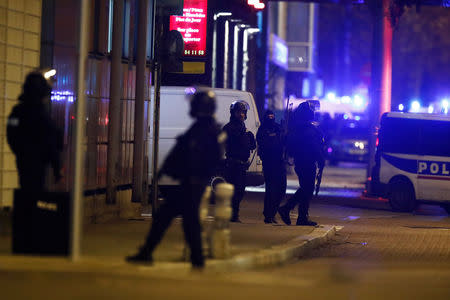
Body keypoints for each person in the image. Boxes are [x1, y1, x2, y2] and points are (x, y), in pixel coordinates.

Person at [126, 89, 225, 269]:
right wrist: (166, 169)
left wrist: (190, 173)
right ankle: (195, 258)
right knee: (187, 220)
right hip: (189, 182)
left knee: (169, 217)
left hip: (193, 183)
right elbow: (181, 150)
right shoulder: (201, 127)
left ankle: (148, 253)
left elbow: (205, 157)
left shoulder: (208, 130)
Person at [7, 70, 63, 193]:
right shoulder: (42, 117)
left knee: (25, 192)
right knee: (35, 196)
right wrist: (56, 168)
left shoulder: (17, 112)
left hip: (23, 161)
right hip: (38, 164)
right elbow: (51, 142)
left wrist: (20, 152)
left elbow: (11, 135)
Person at [278, 102, 325, 226]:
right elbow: (314, 147)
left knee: (306, 188)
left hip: (301, 161)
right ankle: (292, 211)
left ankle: (296, 214)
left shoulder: (297, 127)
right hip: (307, 161)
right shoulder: (308, 129)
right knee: (307, 189)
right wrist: (321, 160)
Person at [223, 101, 256, 222]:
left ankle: (234, 214)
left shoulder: (244, 129)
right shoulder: (229, 128)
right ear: (233, 113)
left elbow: (251, 146)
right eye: (239, 112)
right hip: (232, 164)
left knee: (240, 191)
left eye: (243, 112)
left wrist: (251, 140)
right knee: (233, 191)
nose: (241, 115)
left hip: (242, 165)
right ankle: (232, 215)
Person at [256, 110, 286, 224]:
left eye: (272, 116)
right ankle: (268, 215)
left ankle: (272, 212)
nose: (271, 118)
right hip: (269, 163)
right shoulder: (262, 130)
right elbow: (263, 144)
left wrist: (283, 133)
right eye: (269, 116)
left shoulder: (278, 128)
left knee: (282, 189)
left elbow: (284, 142)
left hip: (279, 162)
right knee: (271, 190)